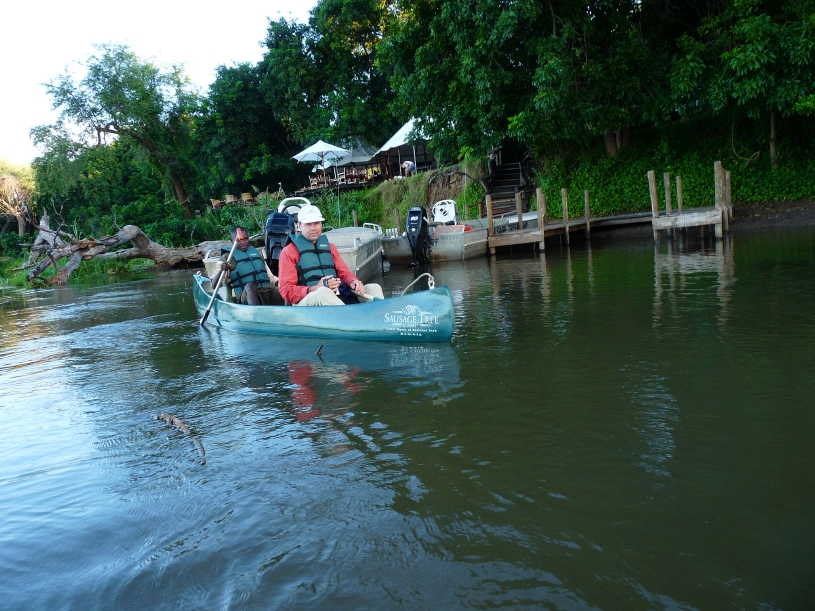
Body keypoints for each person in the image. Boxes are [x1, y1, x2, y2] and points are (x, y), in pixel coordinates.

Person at [278, 204, 384, 306]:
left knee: (374, 288)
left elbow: (344, 273)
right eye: (308, 224)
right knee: (323, 292)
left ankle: (379, 317)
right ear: (299, 226)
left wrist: (353, 281)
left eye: (316, 223)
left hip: (335, 295)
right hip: (306, 301)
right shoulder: (288, 252)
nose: (313, 228)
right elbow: (286, 290)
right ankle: (348, 316)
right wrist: (314, 288)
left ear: (321, 225)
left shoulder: (330, 248)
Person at [213, 225, 284, 306]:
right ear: (232, 241)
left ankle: (290, 311)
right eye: (240, 240)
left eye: (246, 239)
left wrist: (282, 283)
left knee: (285, 286)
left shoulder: (257, 253)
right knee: (250, 286)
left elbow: (271, 277)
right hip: (244, 297)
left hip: (267, 291)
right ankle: (255, 312)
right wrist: (222, 270)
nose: (243, 242)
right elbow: (214, 285)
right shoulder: (227, 258)